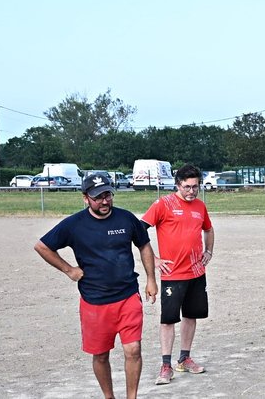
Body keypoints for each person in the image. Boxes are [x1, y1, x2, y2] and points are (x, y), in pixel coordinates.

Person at [35, 173, 158, 399]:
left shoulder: (126, 219)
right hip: (95, 302)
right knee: (101, 355)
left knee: (133, 350)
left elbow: (144, 246)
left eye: (107, 195)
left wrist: (151, 279)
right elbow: (42, 246)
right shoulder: (73, 225)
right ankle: (108, 396)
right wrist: (69, 270)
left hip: (128, 297)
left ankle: (132, 397)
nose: (104, 201)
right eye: (98, 197)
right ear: (85, 198)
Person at [140, 164, 215, 386]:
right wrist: (154, 260)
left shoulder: (200, 206)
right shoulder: (163, 204)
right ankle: (166, 365)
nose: (191, 191)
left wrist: (208, 251)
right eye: (187, 187)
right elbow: (139, 231)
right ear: (177, 185)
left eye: (195, 187)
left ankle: (184, 358)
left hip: (196, 273)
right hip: (172, 274)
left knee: (191, 316)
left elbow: (208, 229)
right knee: (168, 320)